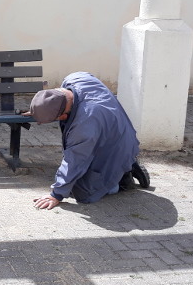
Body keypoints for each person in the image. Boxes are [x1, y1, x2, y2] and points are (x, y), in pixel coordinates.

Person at [27, 72, 150, 210]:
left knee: (83, 193)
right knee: (80, 174)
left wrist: (57, 194)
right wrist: (38, 110)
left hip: (117, 146)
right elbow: (53, 101)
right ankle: (127, 162)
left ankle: (123, 178)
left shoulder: (85, 122)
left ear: (62, 116)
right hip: (119, 134)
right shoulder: (76, 78)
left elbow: (75, 160)